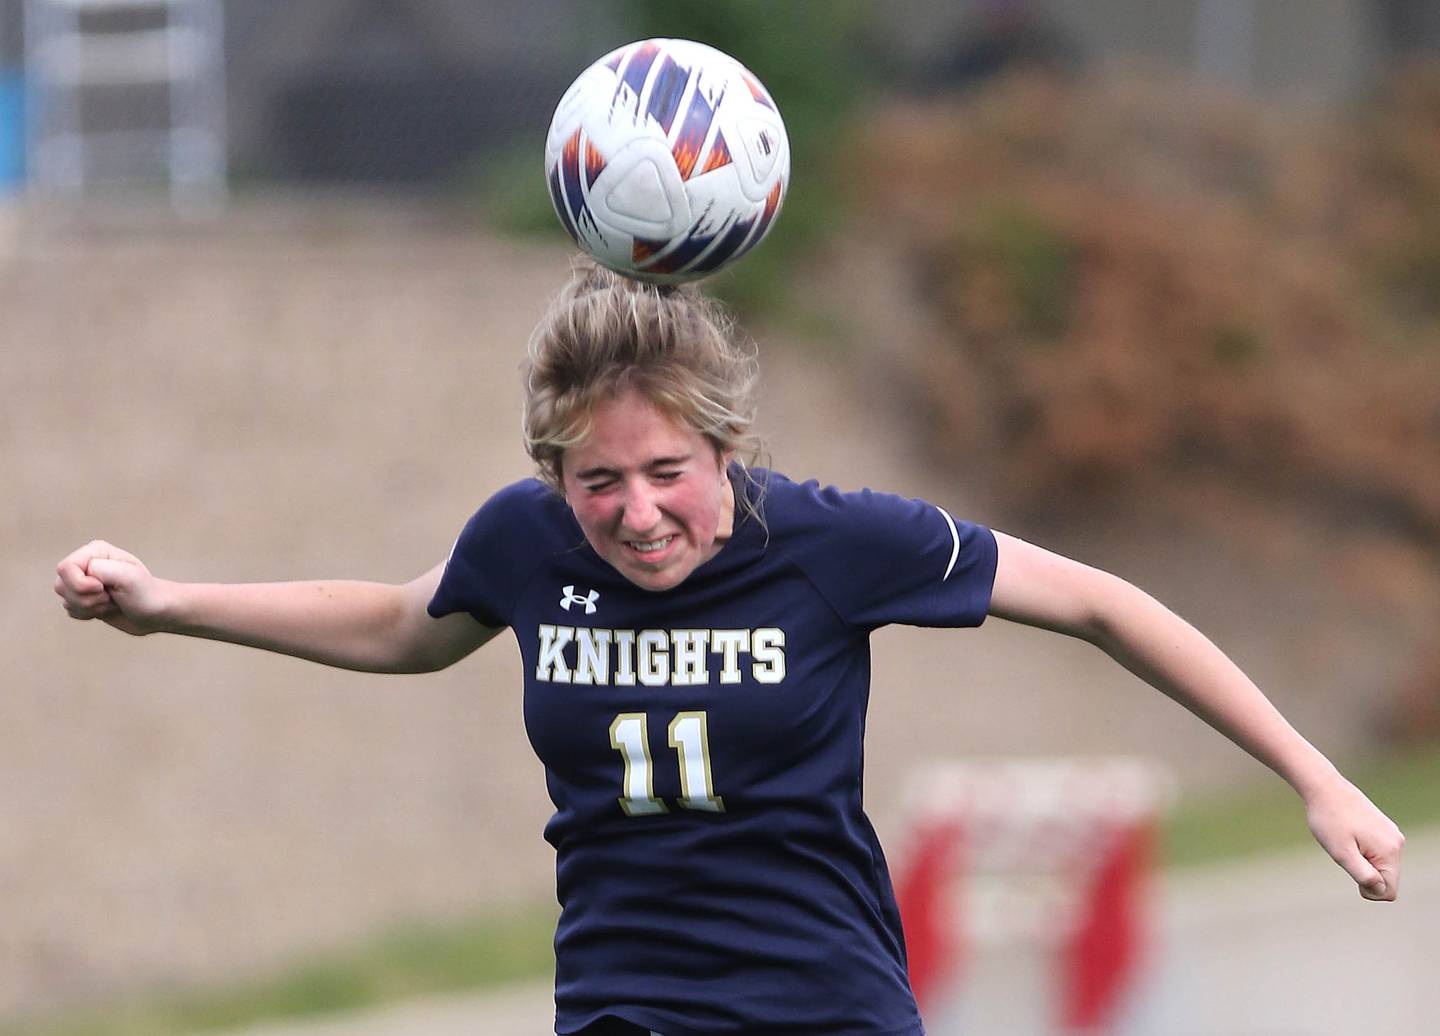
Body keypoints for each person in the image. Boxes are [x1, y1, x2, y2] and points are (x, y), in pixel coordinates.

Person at [55, 261, 1403, 1036]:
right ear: (550, 476)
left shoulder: (837, 543)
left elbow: (1107, 603)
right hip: (624, 1004)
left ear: (724, 449)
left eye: (667, 472)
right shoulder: (522, 548)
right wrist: (168, 600)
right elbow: (405, 626)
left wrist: (1312, 774)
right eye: (598, 484)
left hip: (825, 1004)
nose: (637, 514)